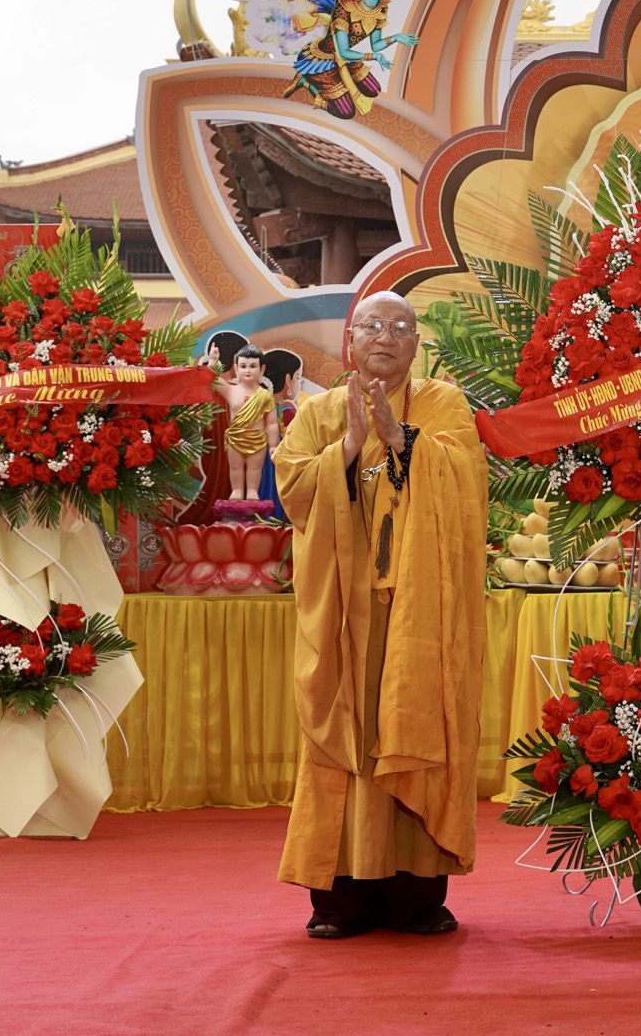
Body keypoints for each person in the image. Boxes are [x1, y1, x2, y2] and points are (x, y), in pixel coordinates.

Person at [274, 292, 489, 938]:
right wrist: (347, 446)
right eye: (372, 326)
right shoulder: (319, 412)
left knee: (415, 721)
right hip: (344, 608)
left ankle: (413, 898)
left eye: (400, 327)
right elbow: (292, 490)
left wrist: (402, 441)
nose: (386, 337)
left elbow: (468, 482)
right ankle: (339, 901)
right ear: (351, 341)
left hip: (418, 612)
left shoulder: (443, 404)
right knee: (344, 738)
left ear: (416, 341)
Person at [218, 346, 278, 501]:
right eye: (243, 366)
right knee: (235, 467)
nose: (248, 371)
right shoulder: (231, 391)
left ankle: (252, 491)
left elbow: (271, 423)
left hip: (258, 439)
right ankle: (237, 490)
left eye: (253, 366)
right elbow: (213, 380)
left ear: (261, 369)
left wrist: (273, 445)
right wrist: (212, 361)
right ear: (236, 368)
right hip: (235, 438)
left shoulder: (265, 396)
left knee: (255, 467)